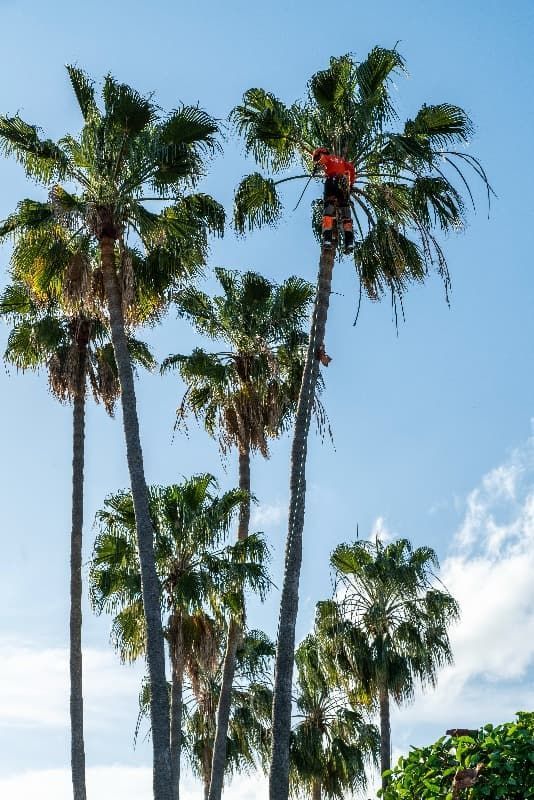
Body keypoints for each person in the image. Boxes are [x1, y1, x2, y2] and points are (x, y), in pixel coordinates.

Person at [312, 147, 355, 253]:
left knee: (328, 212)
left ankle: (327, 240)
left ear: (321, 153)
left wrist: (315, 168)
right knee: (346, 216)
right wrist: (351, 184)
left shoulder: (326, 157)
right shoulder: (341, 161)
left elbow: (321, 160)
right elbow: (352, 169)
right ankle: (349, 243)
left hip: (332, 182)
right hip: (343, 185)